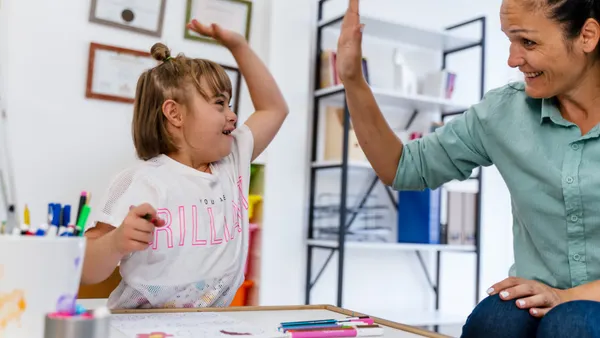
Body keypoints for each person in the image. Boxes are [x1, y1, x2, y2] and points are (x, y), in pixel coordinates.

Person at [336, 0, 600, 336]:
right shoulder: (504, 113)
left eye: (528, 42)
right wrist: (353, 80)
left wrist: (566, 298)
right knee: (496, 318)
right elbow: (403, 168)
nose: (513, 59)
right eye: (509, 41)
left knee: (572, 323)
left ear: (587, 36)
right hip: (539, 302)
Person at [80, 19, 288, 309]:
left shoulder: (232, 161)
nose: (232, 115)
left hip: (206, 325)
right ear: (175, 114)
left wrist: (237, 46)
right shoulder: (143, 181)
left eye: (229, 104)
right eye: (219, 103)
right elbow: (86, 270)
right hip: (139, 326)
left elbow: (274, 108)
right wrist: (115, 243)